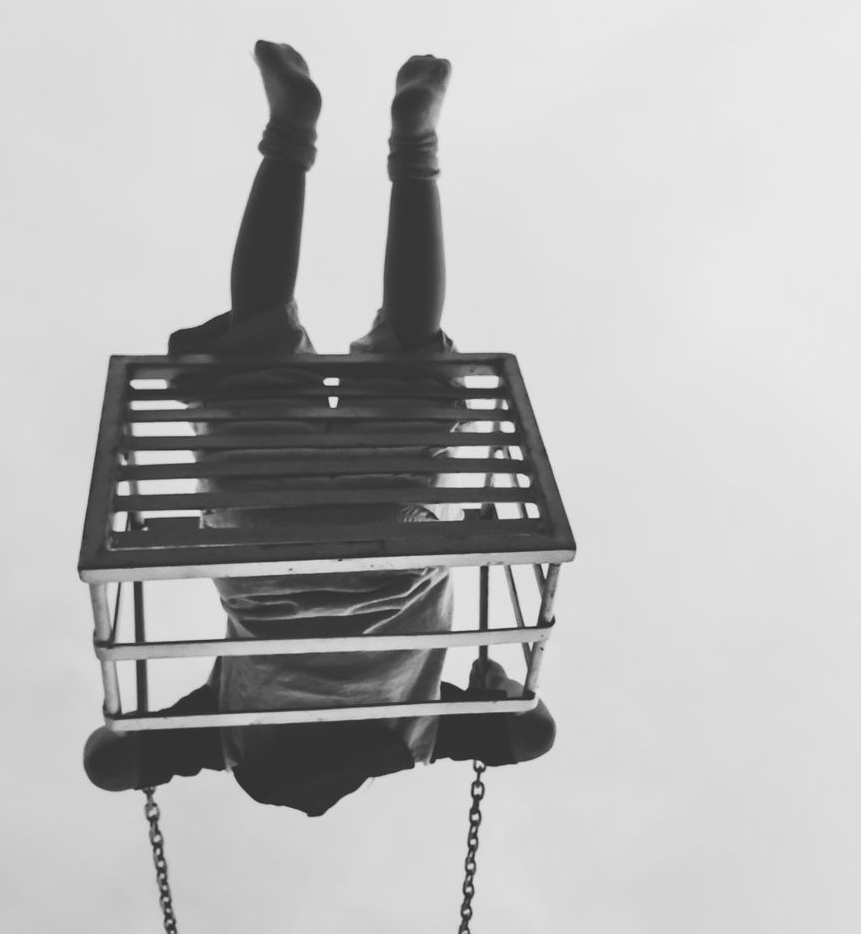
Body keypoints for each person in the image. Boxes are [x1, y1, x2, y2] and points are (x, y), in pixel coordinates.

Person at [83, 42, 555, 816]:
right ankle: (290, 130)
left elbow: (531, 738)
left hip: (400, 548)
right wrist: (145, 758)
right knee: (256, 342)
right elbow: (109, 761)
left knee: (410, 356)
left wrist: (498, 694)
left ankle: (416, 145)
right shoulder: (231, 735)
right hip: (261, 550)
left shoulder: (418, 735)